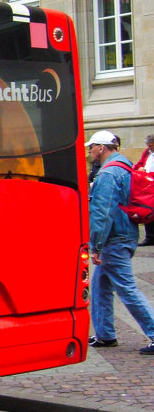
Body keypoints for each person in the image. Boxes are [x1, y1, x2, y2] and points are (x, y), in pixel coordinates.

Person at [86, 130, 154, 354]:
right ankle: (105, 334)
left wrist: (96, 245)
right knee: (101, 285)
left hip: (113, 238)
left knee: (127, 288)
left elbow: (102, 213)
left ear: (102, 148)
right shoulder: (125, 167)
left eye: (92, 147)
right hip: (123, 234)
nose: (90, 151)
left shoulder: (108, 174)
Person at [135, 133, 154, 246]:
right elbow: (139, 164)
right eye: (148, 145)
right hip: (147, 185)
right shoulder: (147, 152)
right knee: (148, 210)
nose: (149, 148)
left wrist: (148, 174)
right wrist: (139, 169)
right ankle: (150, 237)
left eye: (151, 146)